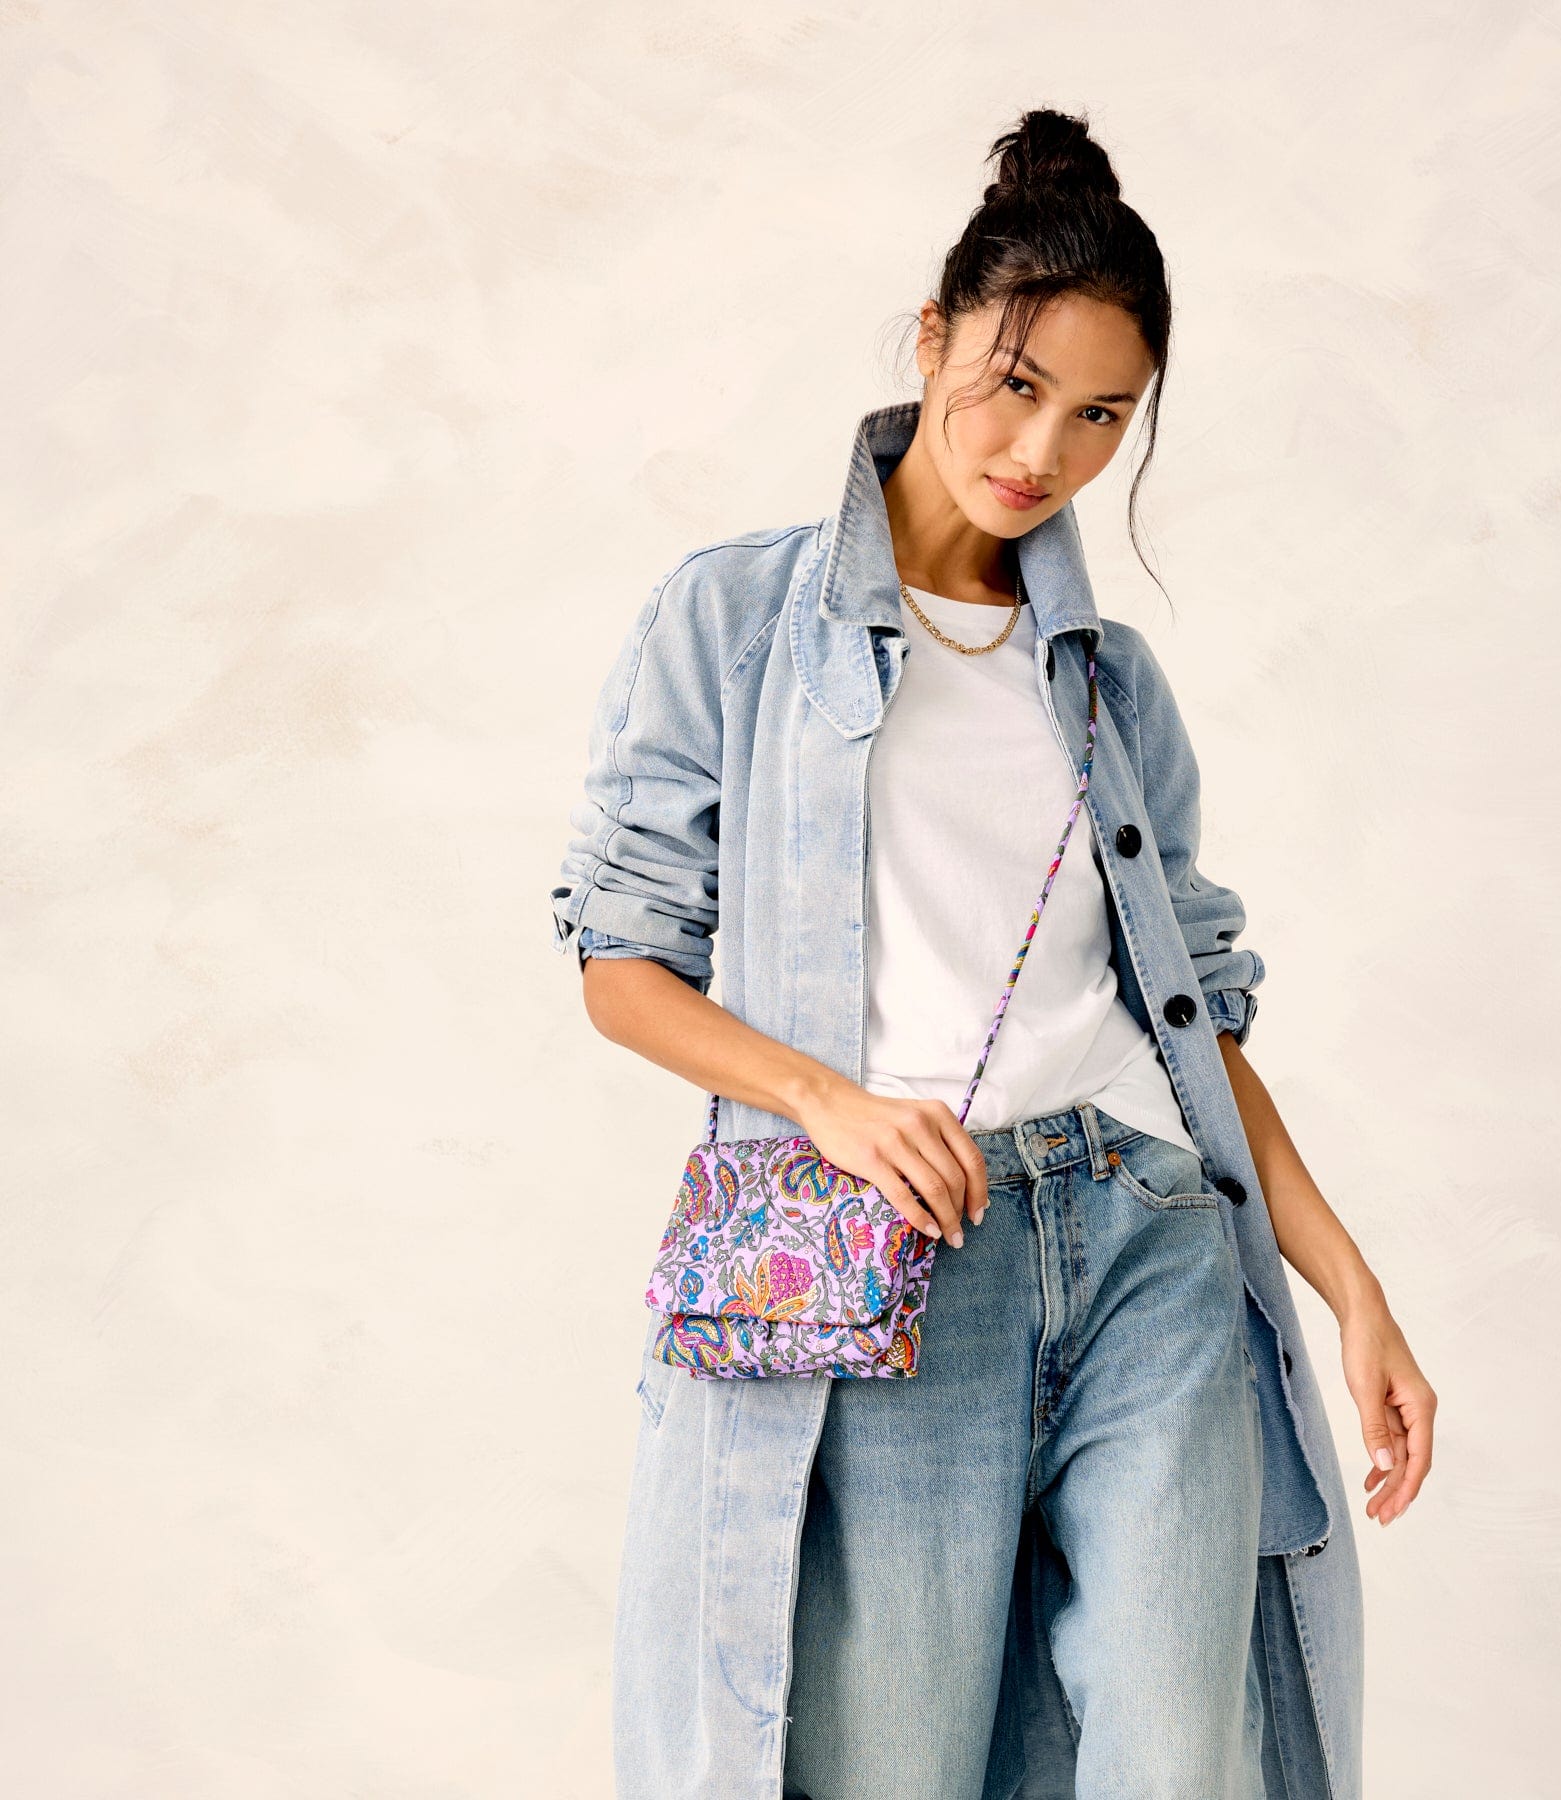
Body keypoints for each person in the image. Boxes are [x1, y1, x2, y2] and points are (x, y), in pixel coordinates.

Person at [549, 106, 1435, 1800]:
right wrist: (827, 1102)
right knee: (890, 1762)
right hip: (896, 1256)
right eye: (1015, 385)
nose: (1043, 450)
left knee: (1183, 1758)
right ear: (933, 339)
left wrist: (1352, 1287)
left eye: (1101, 415)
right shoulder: (734, 624)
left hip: (1148, 1237)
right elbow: (620, 965)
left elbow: (1190, 1026)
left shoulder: (1114, 688)